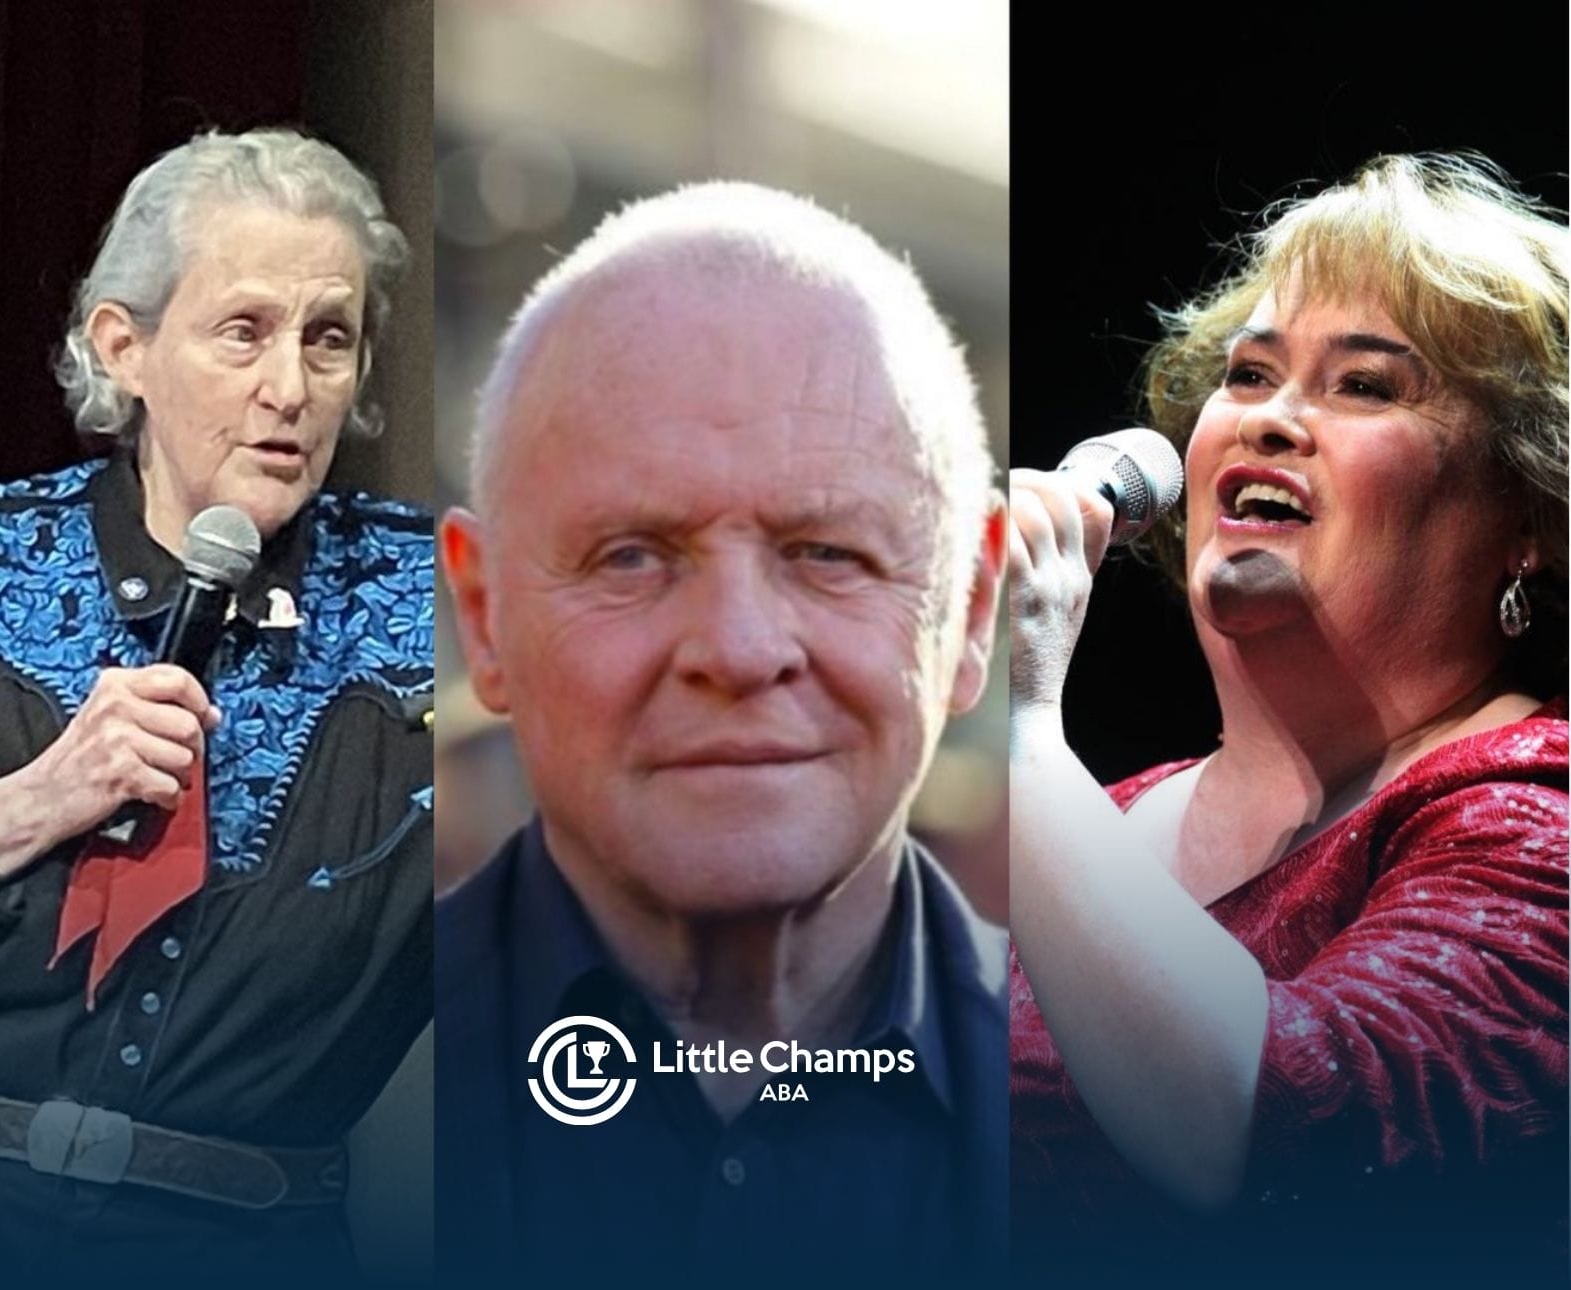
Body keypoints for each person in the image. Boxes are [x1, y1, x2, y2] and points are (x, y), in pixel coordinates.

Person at [0, 129, 434, 1276]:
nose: (290, 387)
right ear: (122, 346)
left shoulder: (454, 623)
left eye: (329, 339)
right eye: (244, 331)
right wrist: (19, 811)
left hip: (236, 1244)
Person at [1007, 153, 1568, 1282]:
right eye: (1248, 375)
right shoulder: (1092, 815)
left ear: (1525, 515)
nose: (1270, 420)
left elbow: (1271, 1134)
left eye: (1363, 387)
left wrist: (1014, 730)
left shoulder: (1531, 814)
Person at [437, 182, 1009, 1281]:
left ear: (971, 608)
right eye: (632, 555)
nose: (740, 649)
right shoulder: (303, 1086)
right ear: (483, 618)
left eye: (826, 553)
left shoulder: (1133, 1127)